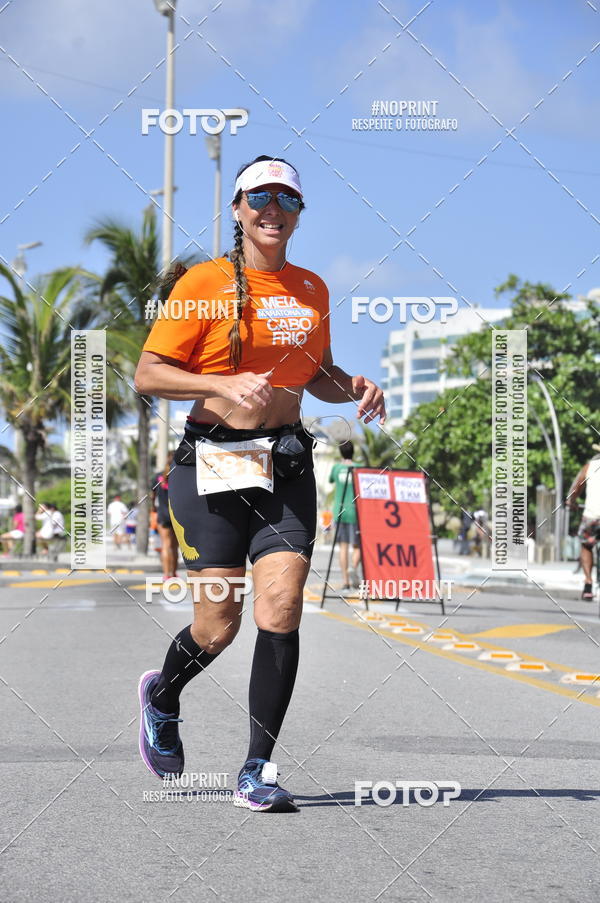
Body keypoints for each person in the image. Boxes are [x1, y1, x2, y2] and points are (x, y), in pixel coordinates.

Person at [134, 155, 385, 812]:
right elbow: (149, 373)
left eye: (287, 200)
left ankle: (258, 766)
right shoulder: (204, 282)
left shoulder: (311, 290)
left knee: (282, 607)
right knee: (217, 625)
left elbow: (316, 375)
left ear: (299, 214)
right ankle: (162, 697)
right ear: (239, 209)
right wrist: (220, 383)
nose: (273, 209)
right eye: (260, 197)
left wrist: (351, 386)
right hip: (210, 466)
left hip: (284, 466)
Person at [567, 447, 600, 601]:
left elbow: (577, 487)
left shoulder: (590, 466)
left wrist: (571, 502)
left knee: (586, 545)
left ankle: (588, 584)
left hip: (593, 516)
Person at [329, 440, 361, 591]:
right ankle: (353, 567)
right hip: (357, 512)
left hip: (340, 512)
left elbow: (331, 480)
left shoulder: (336, 468)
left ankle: (346, 582)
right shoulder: (359, 469)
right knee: (358, 546)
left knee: (343, 547)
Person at [152, 453, 179, 581]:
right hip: (177, 515)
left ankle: (166, 574)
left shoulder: (158, 476)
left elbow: (152, 495)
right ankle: (173, 573)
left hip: (163, 514)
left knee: (166, 545)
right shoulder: (179, 475)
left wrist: (153, 509)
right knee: (175, 546)